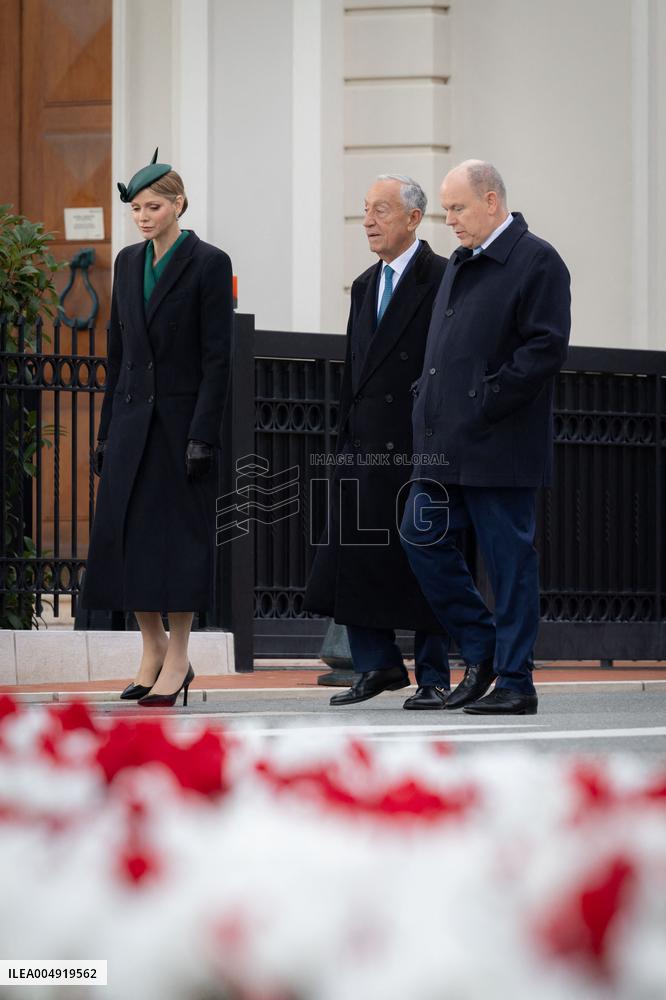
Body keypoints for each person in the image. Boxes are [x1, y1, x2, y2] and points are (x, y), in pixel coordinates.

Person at [400, 160, 571, 716]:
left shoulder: (537, 260)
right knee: (417, 534)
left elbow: (544, 350)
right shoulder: (460, 262)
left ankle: (516, 682)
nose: (448, 219)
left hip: (501, 444)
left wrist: (484, 399)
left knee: (509, 563)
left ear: (492, 201)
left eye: (457, 208)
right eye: (447, 209)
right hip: (445, 442)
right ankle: (483, 649)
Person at [80, 149, 233, 707]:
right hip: (129, 423)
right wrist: (103, 433)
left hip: (180, 425)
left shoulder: (209, 263)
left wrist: (203, 434)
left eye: (154, 206)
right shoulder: (125, 262)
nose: (143, 217)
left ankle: (180, 655)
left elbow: (219, 359)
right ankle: (152, 646)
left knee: (179, 544)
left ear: (178, 204)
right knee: (127, 540)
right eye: (137, 209)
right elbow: (116, 357)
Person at [304, 175, 450, 709]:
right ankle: (377, 666)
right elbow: (354, 371)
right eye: (365, 210)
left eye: (381, 210)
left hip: (419, 447)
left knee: (427, 561)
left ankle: (434, 676)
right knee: (357, 558)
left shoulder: (444, 277)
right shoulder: (365, 284)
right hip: (364, 447)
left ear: (414, 218)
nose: (368, 220)